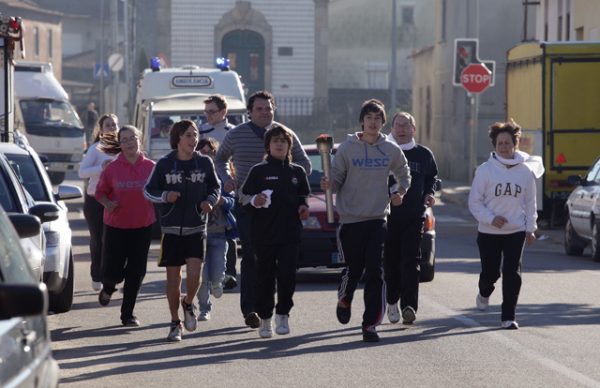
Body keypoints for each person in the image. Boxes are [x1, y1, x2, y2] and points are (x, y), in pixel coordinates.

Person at [215, 90, 311, 329]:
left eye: (268, 108)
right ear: (250, 112)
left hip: (282, 209)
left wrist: (285, 176)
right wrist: (227, 179)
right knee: (251, 254)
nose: (265, 112)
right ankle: (250, 309)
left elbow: (305, 164)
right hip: (249, 204)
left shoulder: (285, 134)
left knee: (281, 264)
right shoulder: (236, 135)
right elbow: (219, 159)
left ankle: (275, 309)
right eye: (259, 109)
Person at [321, 99, 411, 342]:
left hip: (377, 219)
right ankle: (345, 296)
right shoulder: (347, 149)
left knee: (375, 271)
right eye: (369, 117)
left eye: (378, 118)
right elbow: (337, 178)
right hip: (350, 220)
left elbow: (404, 174)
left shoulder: (390, 149)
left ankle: (370, 324)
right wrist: (330, 184)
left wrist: (400, 192)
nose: (373, 122)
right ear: (362, 120)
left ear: (383, 123)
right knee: (354, 269)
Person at [144, 119, 220, 342]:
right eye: (188, 135)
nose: (193, 139)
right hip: (171, 230)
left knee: (195, 277)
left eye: (195, 135)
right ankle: (175, 322)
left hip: (196, 228)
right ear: (177, 138)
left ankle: (188, 302)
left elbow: (215, 188)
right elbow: (148, 191)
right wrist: (165, 196)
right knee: (173, 279)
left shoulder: (204, 163)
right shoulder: (165, 164)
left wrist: (209, 201)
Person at [468, 120, 544, 330]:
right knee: (491, 273)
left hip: (516, 231)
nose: (504, 146)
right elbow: (474, 202)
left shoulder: (525, 171)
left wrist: (531, 229)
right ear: (495, 145)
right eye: (500, 143)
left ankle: (508, 316)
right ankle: (484, 292)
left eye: (508, 143)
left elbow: (530, 203)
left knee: (513, 273)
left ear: (514, 145)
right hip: (489, 231)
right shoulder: (485, 170)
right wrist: (491, 218)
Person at [241, 125, 310, 338]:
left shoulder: (297, 171)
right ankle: (265, 318)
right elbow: (243, 196)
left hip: (290, 235)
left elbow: (303, 197)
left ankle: (283, 314)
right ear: (268, 145)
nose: (279, 144)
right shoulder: (258, 171)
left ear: (289, 145)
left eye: (283, 141)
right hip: (263, 235)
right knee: (265, 278)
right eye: (275, 141)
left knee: (288, 275)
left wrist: (303, 207)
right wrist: (255, 199)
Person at [95, 125, 156, 327]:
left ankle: (127, 314)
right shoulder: (112, 168)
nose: (130, 142)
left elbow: (160, 190)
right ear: (120, 144)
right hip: (116, 226)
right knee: (113, 271)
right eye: (125, 140)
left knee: (136, 271)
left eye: (133, 138)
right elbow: (100, 192)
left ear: (140, 139)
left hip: (142, 225)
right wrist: (107, 203)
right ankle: (108, 287)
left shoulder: (151, 167)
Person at [384, 112, 438, 325]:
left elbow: (432, 177)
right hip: (387, 216)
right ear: (392, 128)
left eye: (406, 125)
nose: (402, 129)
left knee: (411, 261)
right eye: (398, 125)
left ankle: (409, 306)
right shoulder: (384, 151)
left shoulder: (423, 154)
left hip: (414, 216)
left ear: (413, 129)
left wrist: (430, 193)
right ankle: (391, 301)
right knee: (391, 263)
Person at [196, 138, 238, 321]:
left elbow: (233, 201)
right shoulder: (193, 175)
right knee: (201, 277)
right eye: (202, 152)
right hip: (198, 233)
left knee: (218, 269)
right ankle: (204, 308)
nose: (207, 156)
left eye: (210, 152)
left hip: (219, 232)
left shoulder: (224, 177)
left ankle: (217, 281)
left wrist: (222, 201)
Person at [199, 94, 238, 290]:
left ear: (223, 112)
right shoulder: (201, 131)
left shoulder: (234, 132)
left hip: (227, 183)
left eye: (212, 111)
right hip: (206, 183)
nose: (208, 115)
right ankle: (209, 272)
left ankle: (229, 271)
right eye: (206, 111)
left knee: (228, 228)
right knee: (211, 230)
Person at [78, 114, 119, 291]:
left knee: (114, 240)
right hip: (95, 200)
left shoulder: (123, 149)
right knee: (99, 240)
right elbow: (82, 172)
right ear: (101, 129)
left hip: (117, 200)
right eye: (108, 125)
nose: (111, 128)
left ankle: (110, 275)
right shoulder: (95, 149)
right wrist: (100, 168)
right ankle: (97, 275)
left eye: (114, 125)